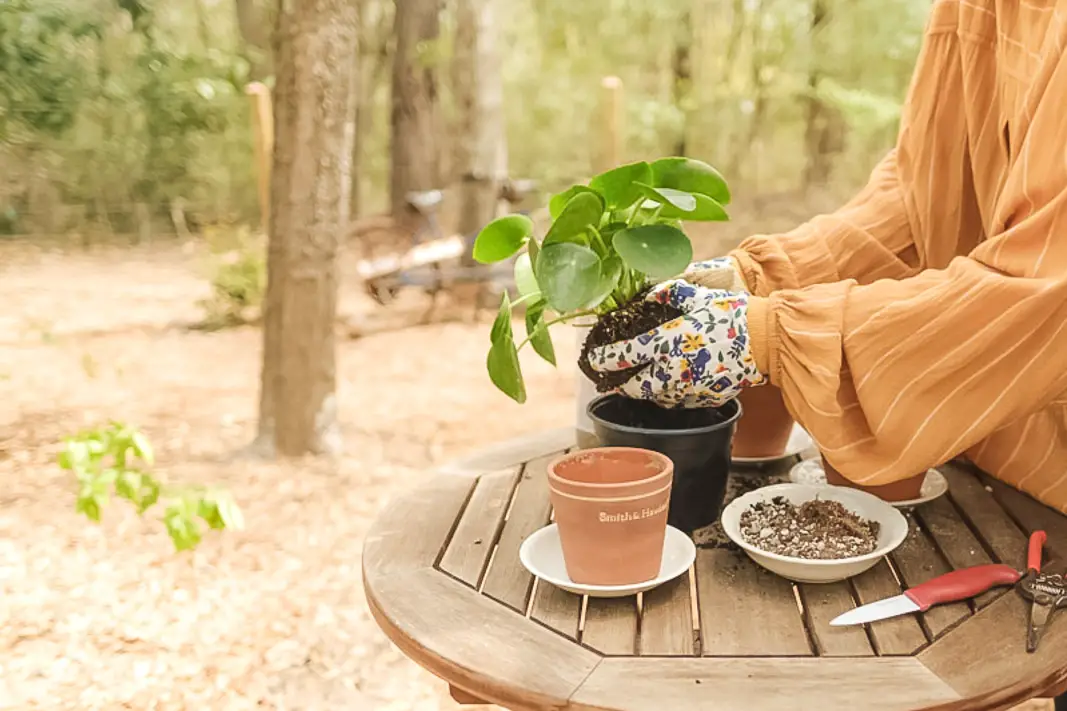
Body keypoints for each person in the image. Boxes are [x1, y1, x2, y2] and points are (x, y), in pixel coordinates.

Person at [590, 2, 1067, 702]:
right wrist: (754, 278)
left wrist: (771, 334)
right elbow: (920, 193)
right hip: (1009, 464)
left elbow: (1046, 289)